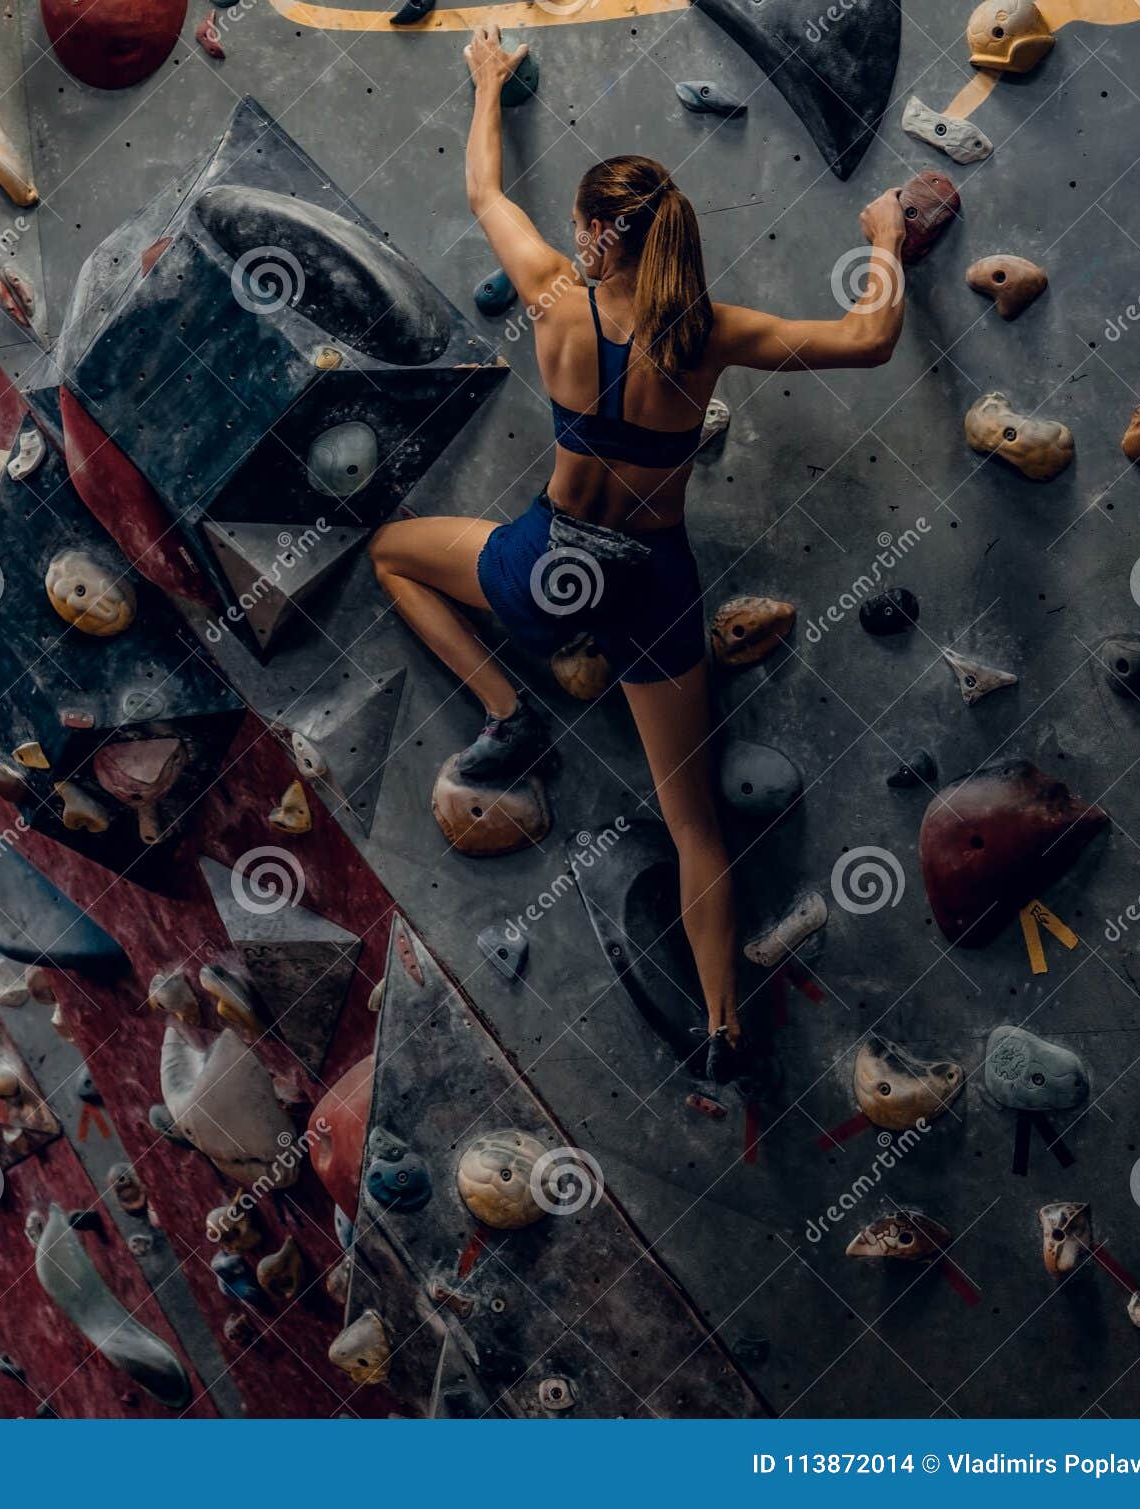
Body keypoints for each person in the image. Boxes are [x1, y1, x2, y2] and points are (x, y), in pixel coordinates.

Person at [369, 26, 907, 1080]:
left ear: (594, 234)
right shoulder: (709, 334)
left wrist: (487, 82)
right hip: (651, 583)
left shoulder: (555, 306)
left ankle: (505, 711)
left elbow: (485, 193)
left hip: (545, 568)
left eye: (580, 225)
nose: (570, 237)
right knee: (695, 822)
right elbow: (867, 339)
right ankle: (723, 1028)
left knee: (393, 554)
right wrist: (883, 236)